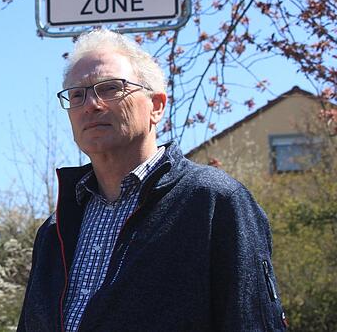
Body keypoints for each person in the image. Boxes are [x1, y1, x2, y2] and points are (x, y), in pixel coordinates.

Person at [17, 29, 286, 331]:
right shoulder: (55, 230)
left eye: (109, 88)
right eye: (77, 95)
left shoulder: (214, 202)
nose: (90, 105)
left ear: (156, 106)